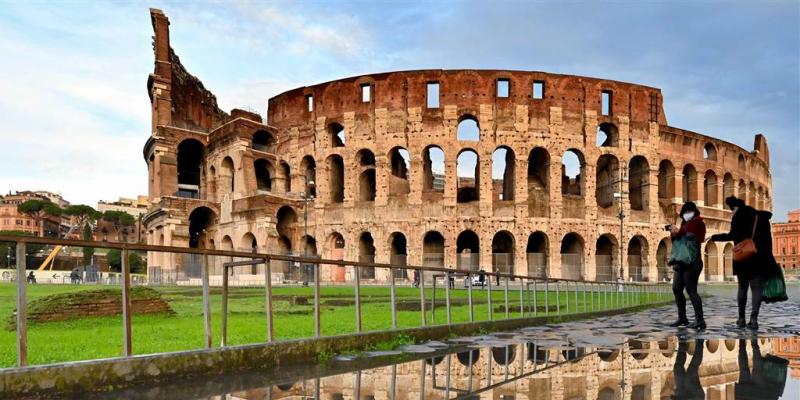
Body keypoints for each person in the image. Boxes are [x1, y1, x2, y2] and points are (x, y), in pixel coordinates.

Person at [709, 196, 778, 330]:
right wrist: (768, 258)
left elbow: (732, 235)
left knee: (742, 287)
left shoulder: (738, 215)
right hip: (759, 258)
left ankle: (741, 319)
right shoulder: (761, 217)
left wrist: (714, 237)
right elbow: (768, 241)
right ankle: (754, 319)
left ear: (734, 207)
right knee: (757, 288)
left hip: (743, 257)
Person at [669, 201, 706, 329]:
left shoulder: (699, 222)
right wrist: (673, 234)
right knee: (676, 288)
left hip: (693, 261)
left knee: (691, 290)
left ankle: (700, 320)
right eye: (684, 212)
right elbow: (678, 242)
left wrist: (679, 232)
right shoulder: (684, 223)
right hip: (681, 262)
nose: (686, 214)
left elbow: (696, 238)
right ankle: (682, 318)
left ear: (694, 211)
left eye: (688, 212)